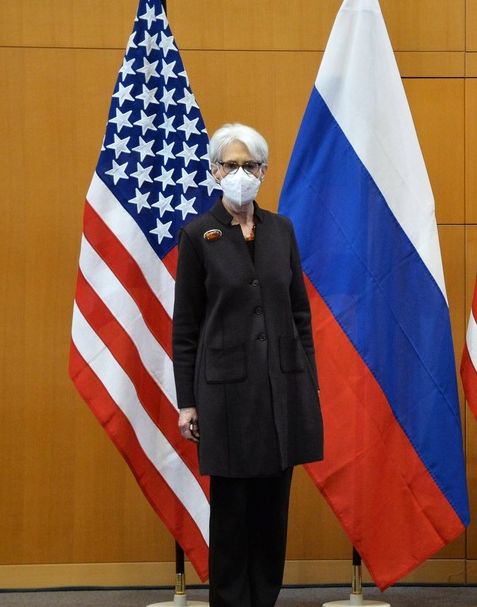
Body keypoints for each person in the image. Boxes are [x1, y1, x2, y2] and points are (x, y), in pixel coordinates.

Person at [172, 123, 323, 607]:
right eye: (231, 165)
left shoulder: (282, 229)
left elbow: (299, 311)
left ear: (264, 171)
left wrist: (310, 385)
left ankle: (265, 599)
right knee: (234, 514)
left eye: (250, 165)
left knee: (272, 514)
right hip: (226, 396)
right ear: (215, 171)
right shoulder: (198, 234)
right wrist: (187, 403)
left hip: (283, 388)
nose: (241, 174)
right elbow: (186, 327)